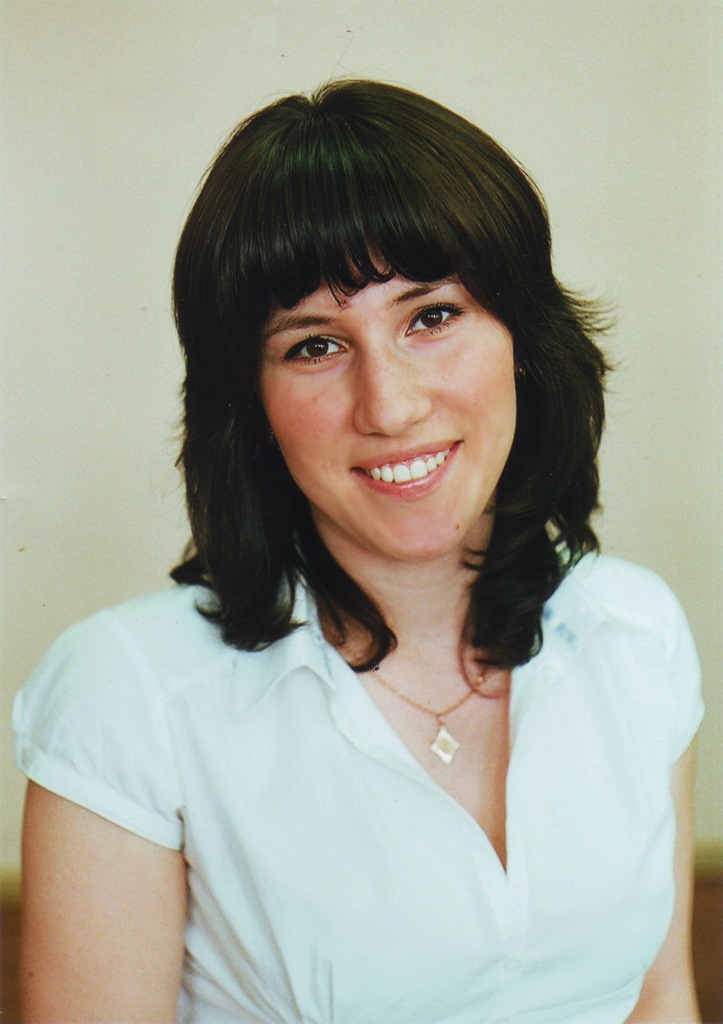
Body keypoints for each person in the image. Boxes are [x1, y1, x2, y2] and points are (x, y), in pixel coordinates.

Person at [14, 80, 703, 1024]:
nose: (390, 405)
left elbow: (658, 999)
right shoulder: (128, 692)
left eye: (431, 317)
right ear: (250, 404)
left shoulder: (635, 629)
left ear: (524, 340)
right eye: (313, 346)